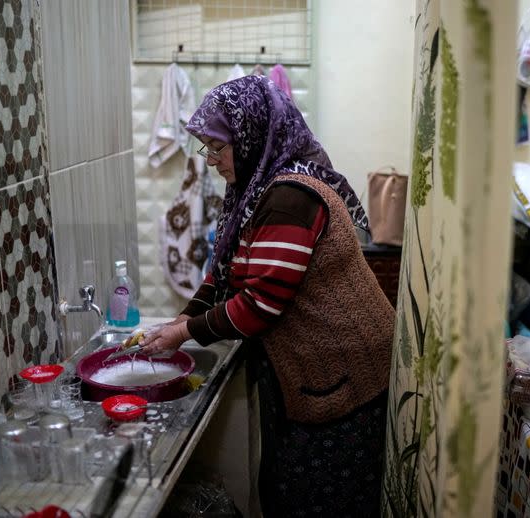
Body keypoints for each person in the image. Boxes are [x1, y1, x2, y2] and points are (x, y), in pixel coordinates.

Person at [140, 75, 395, 517]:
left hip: (342, 373)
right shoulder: (257, 190)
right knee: (286, 493)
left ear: (251, 135)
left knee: (318, 502)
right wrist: (181, 320)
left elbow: (260, 304)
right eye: (208, 148)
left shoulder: (289, 197)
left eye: (219, 147)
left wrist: (186, 333)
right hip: (314, 368)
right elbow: (225, 273)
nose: (213, 161)